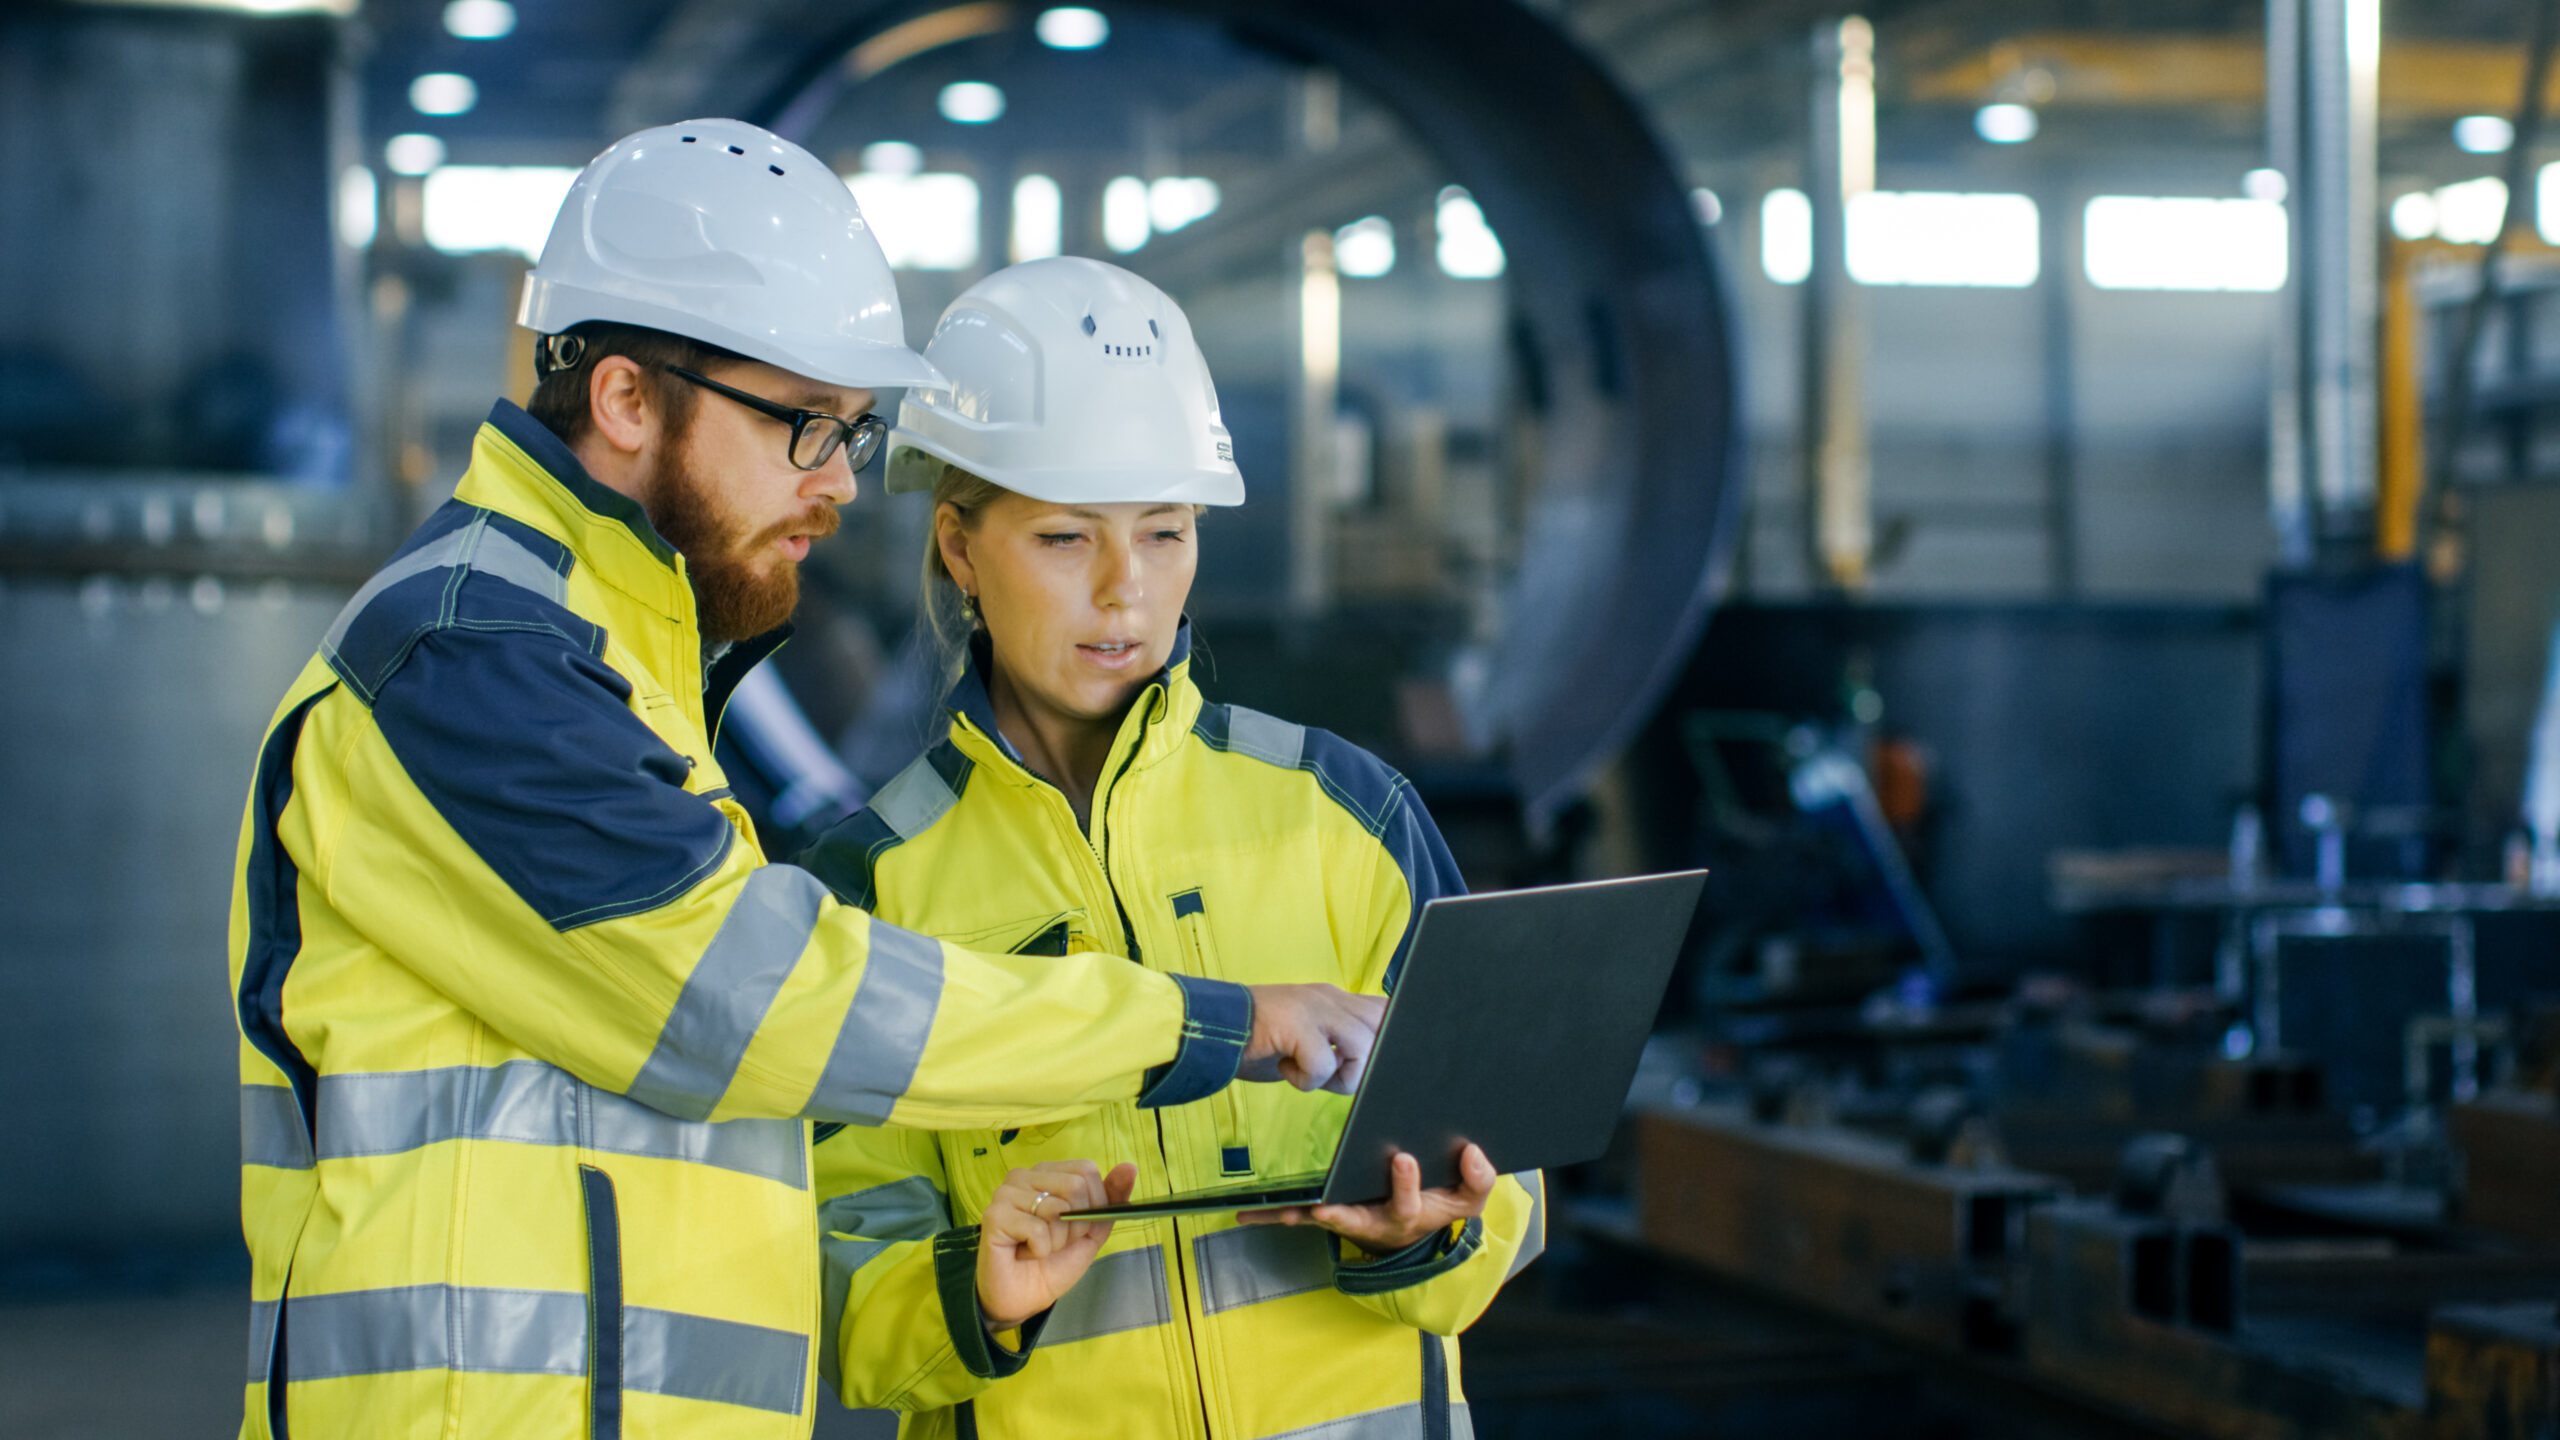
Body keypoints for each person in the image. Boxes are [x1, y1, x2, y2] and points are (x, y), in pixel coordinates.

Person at [225, 120, 1383, 1440]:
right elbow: (753, 1001)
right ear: (624, 400)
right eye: (804, 426)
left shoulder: (614, 657)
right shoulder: (470, 655)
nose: (839, 483)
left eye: (853, 430)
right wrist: (1196, 1024)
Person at [800, 258, 1545, 1440]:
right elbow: (836, 1281)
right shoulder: (871, 888)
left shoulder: (1346, 812)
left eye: (1163, 531)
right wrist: (977, 1295)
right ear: (957, 550)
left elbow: (1512, 1171)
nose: (1124, 591)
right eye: (1061, 537)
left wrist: (1441, 1228)